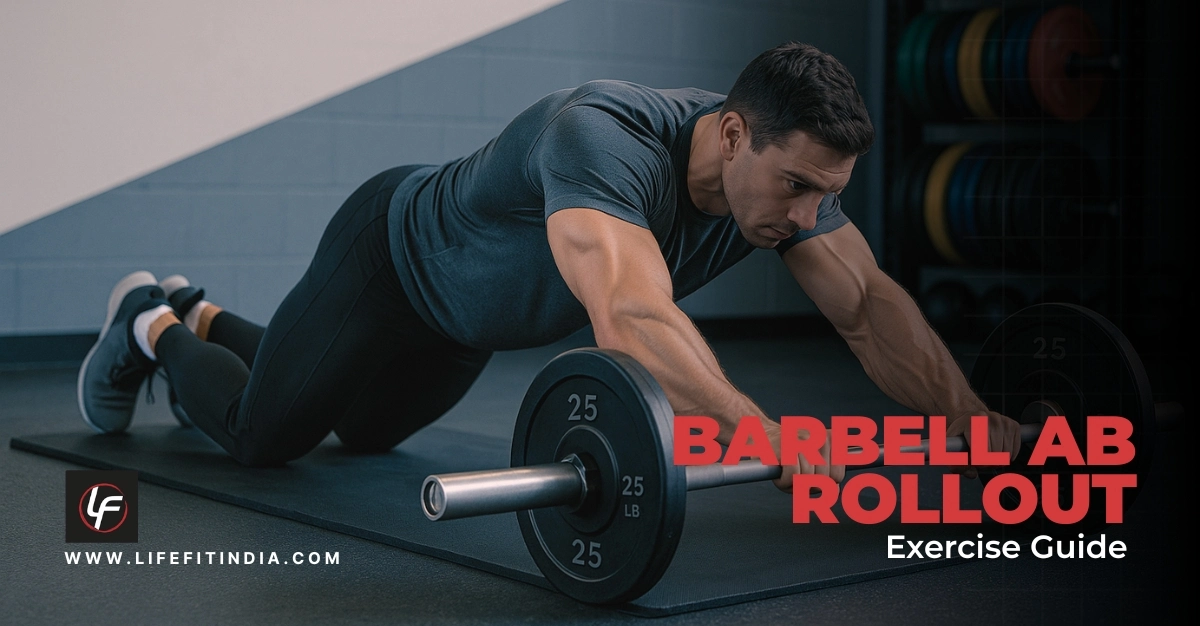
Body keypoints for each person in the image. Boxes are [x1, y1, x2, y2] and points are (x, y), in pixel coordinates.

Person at [77, 42, 1021, 491]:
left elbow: (868, 308)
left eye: (828, 192)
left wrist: (979, 429)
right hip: (390, 258)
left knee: (361, 436)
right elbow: (632, 320)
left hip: (463, 328)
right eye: (798, 186)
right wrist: (768, 438)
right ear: (733, 135)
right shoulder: (602, 139)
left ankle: (208, 318)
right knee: (263, 437)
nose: (811, 216)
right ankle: (155, 321)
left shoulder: (778, 195)